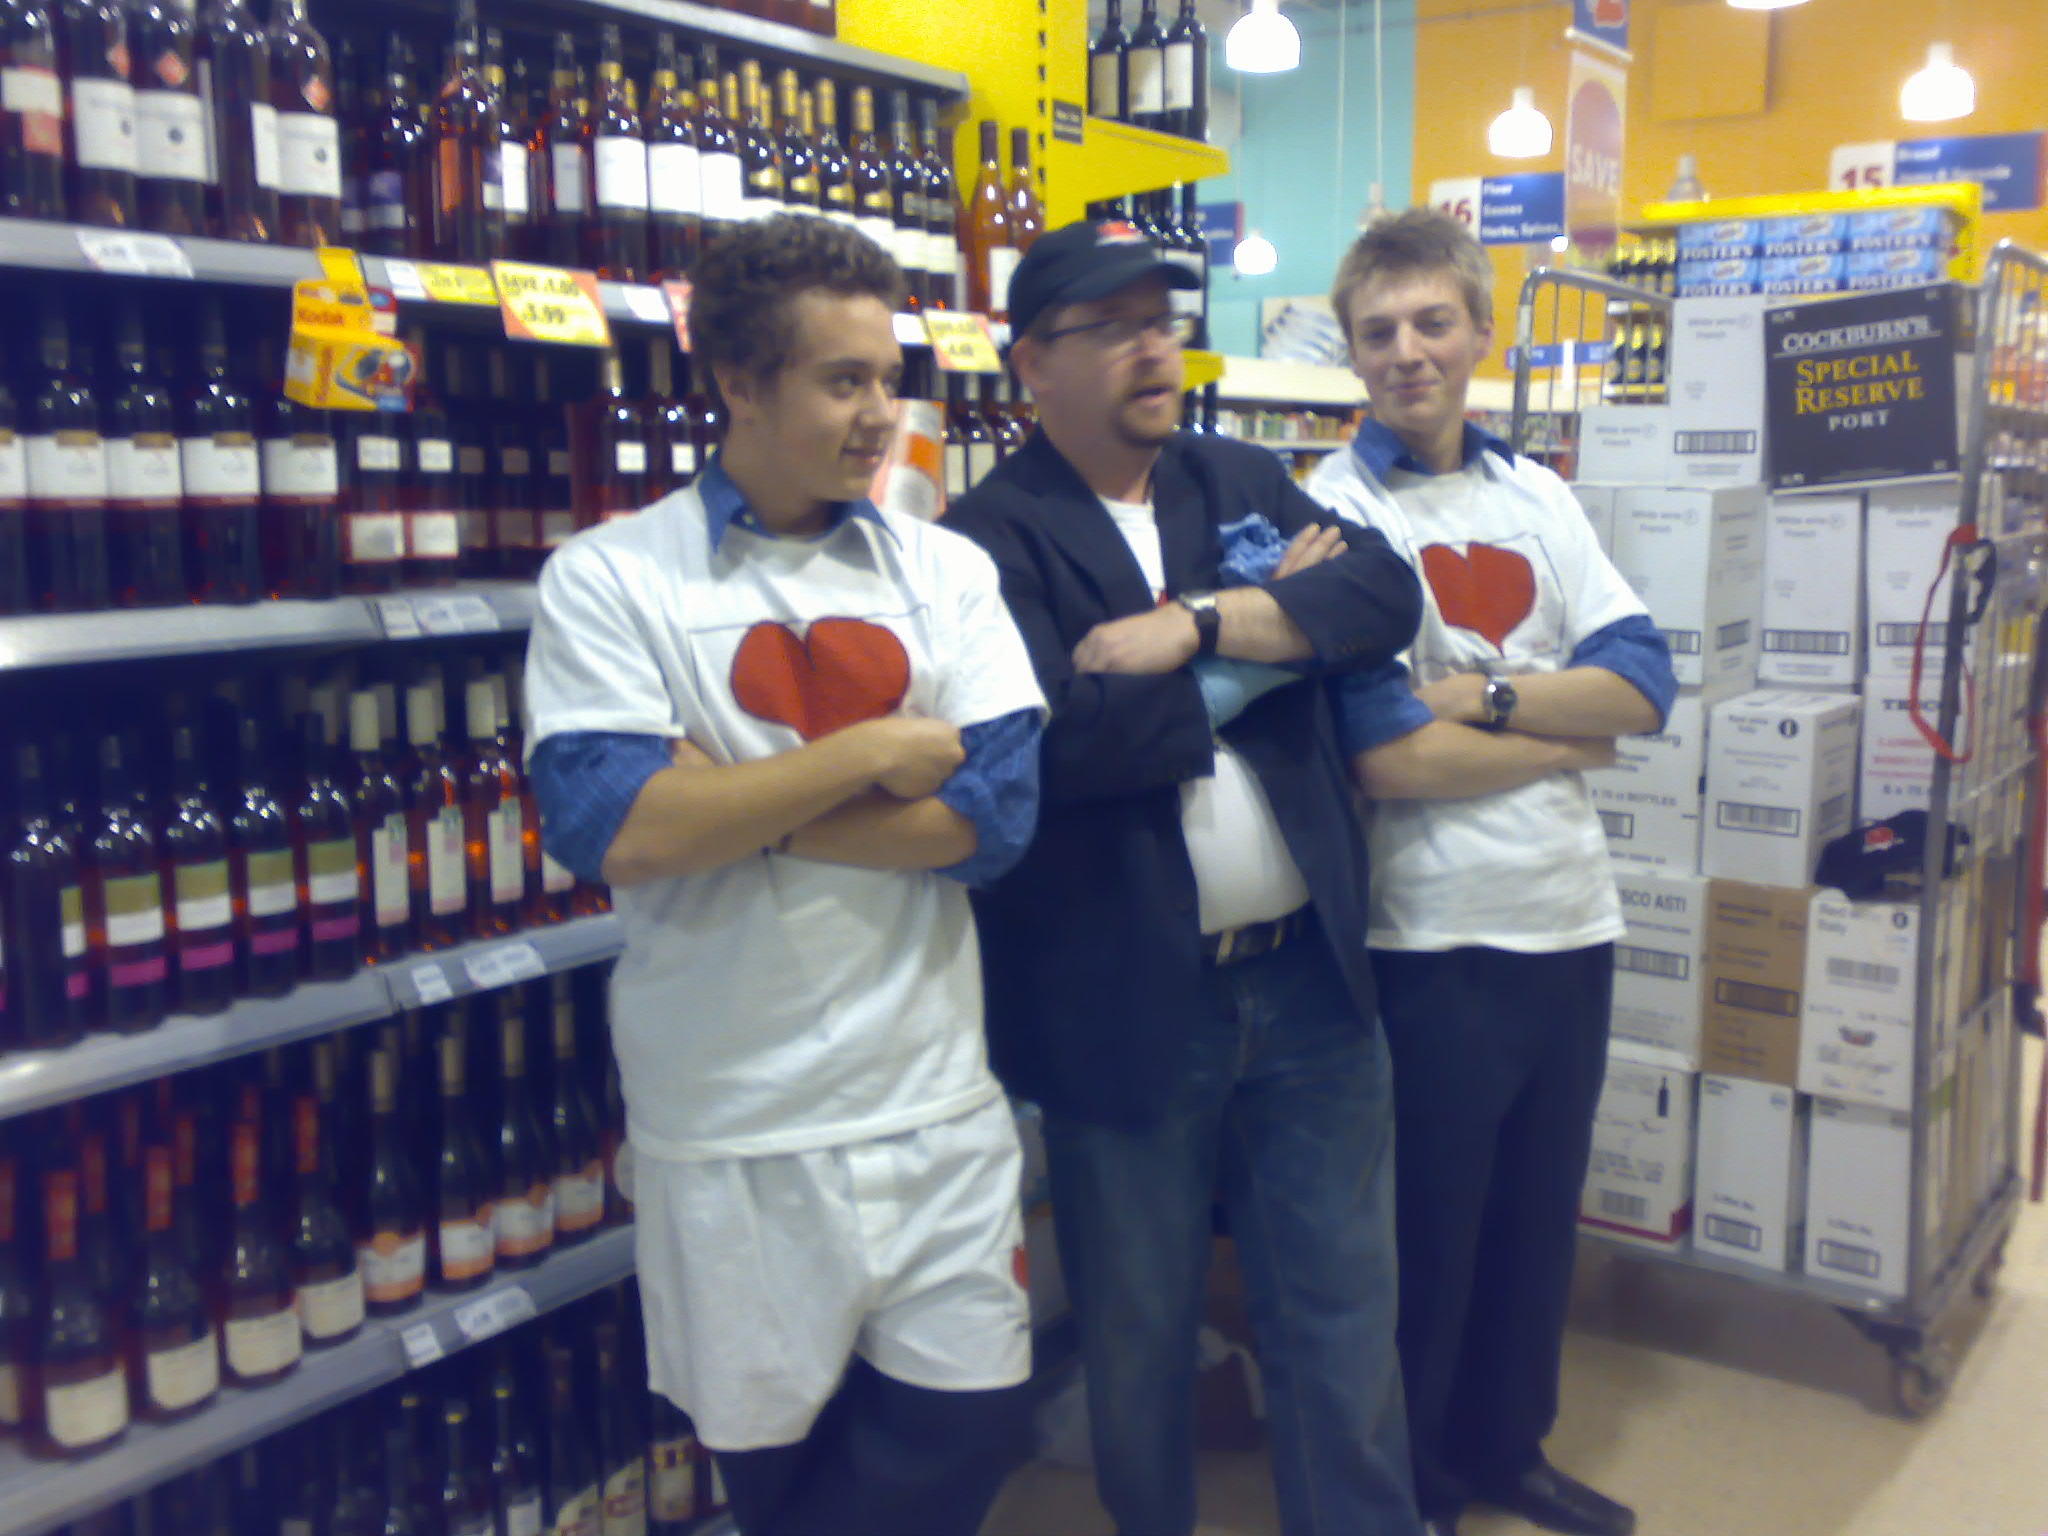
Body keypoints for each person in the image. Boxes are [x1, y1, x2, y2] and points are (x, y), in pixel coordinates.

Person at [522, 213, 1048, 1536]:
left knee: (974, 1427)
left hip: (934, 1102)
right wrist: (868, 754)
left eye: (889, 379)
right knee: (777, 1477)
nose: (881, 416)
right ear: (740, 385)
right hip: (733, 1127)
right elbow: (609, 830)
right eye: (842, 381)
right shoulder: (611, 579)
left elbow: (995, 818)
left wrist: (729, 799)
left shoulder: (947, 569)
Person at [943, 218, 1428, 1536]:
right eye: (1110, 328)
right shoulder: (986, 540)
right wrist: (1270, 650)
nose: (1152, 347)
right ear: (1031, 363)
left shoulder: (1237, 474)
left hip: (1312, 981)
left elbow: (1383, 598)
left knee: (1343, 1309)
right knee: (1139, 1334)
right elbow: (1056, 746)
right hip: (1126, 1001)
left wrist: (1194, 626)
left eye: (1160, 318)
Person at [1303, 209, 1678, 1536]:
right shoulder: (1334, 512)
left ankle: (1510, 1448)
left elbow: (1643, 682)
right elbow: (1384, 757)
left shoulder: (1540, 497)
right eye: (1378, 332)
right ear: (1353, 353)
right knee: (1429, 1233)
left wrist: (1483, 696)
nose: (1407, 352)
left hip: (1570, 919)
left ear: (1479, 331)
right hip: (1428, 932)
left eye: (1431, 323)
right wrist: (1567, 738)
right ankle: (1417, 1484)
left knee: (1534, 1217)